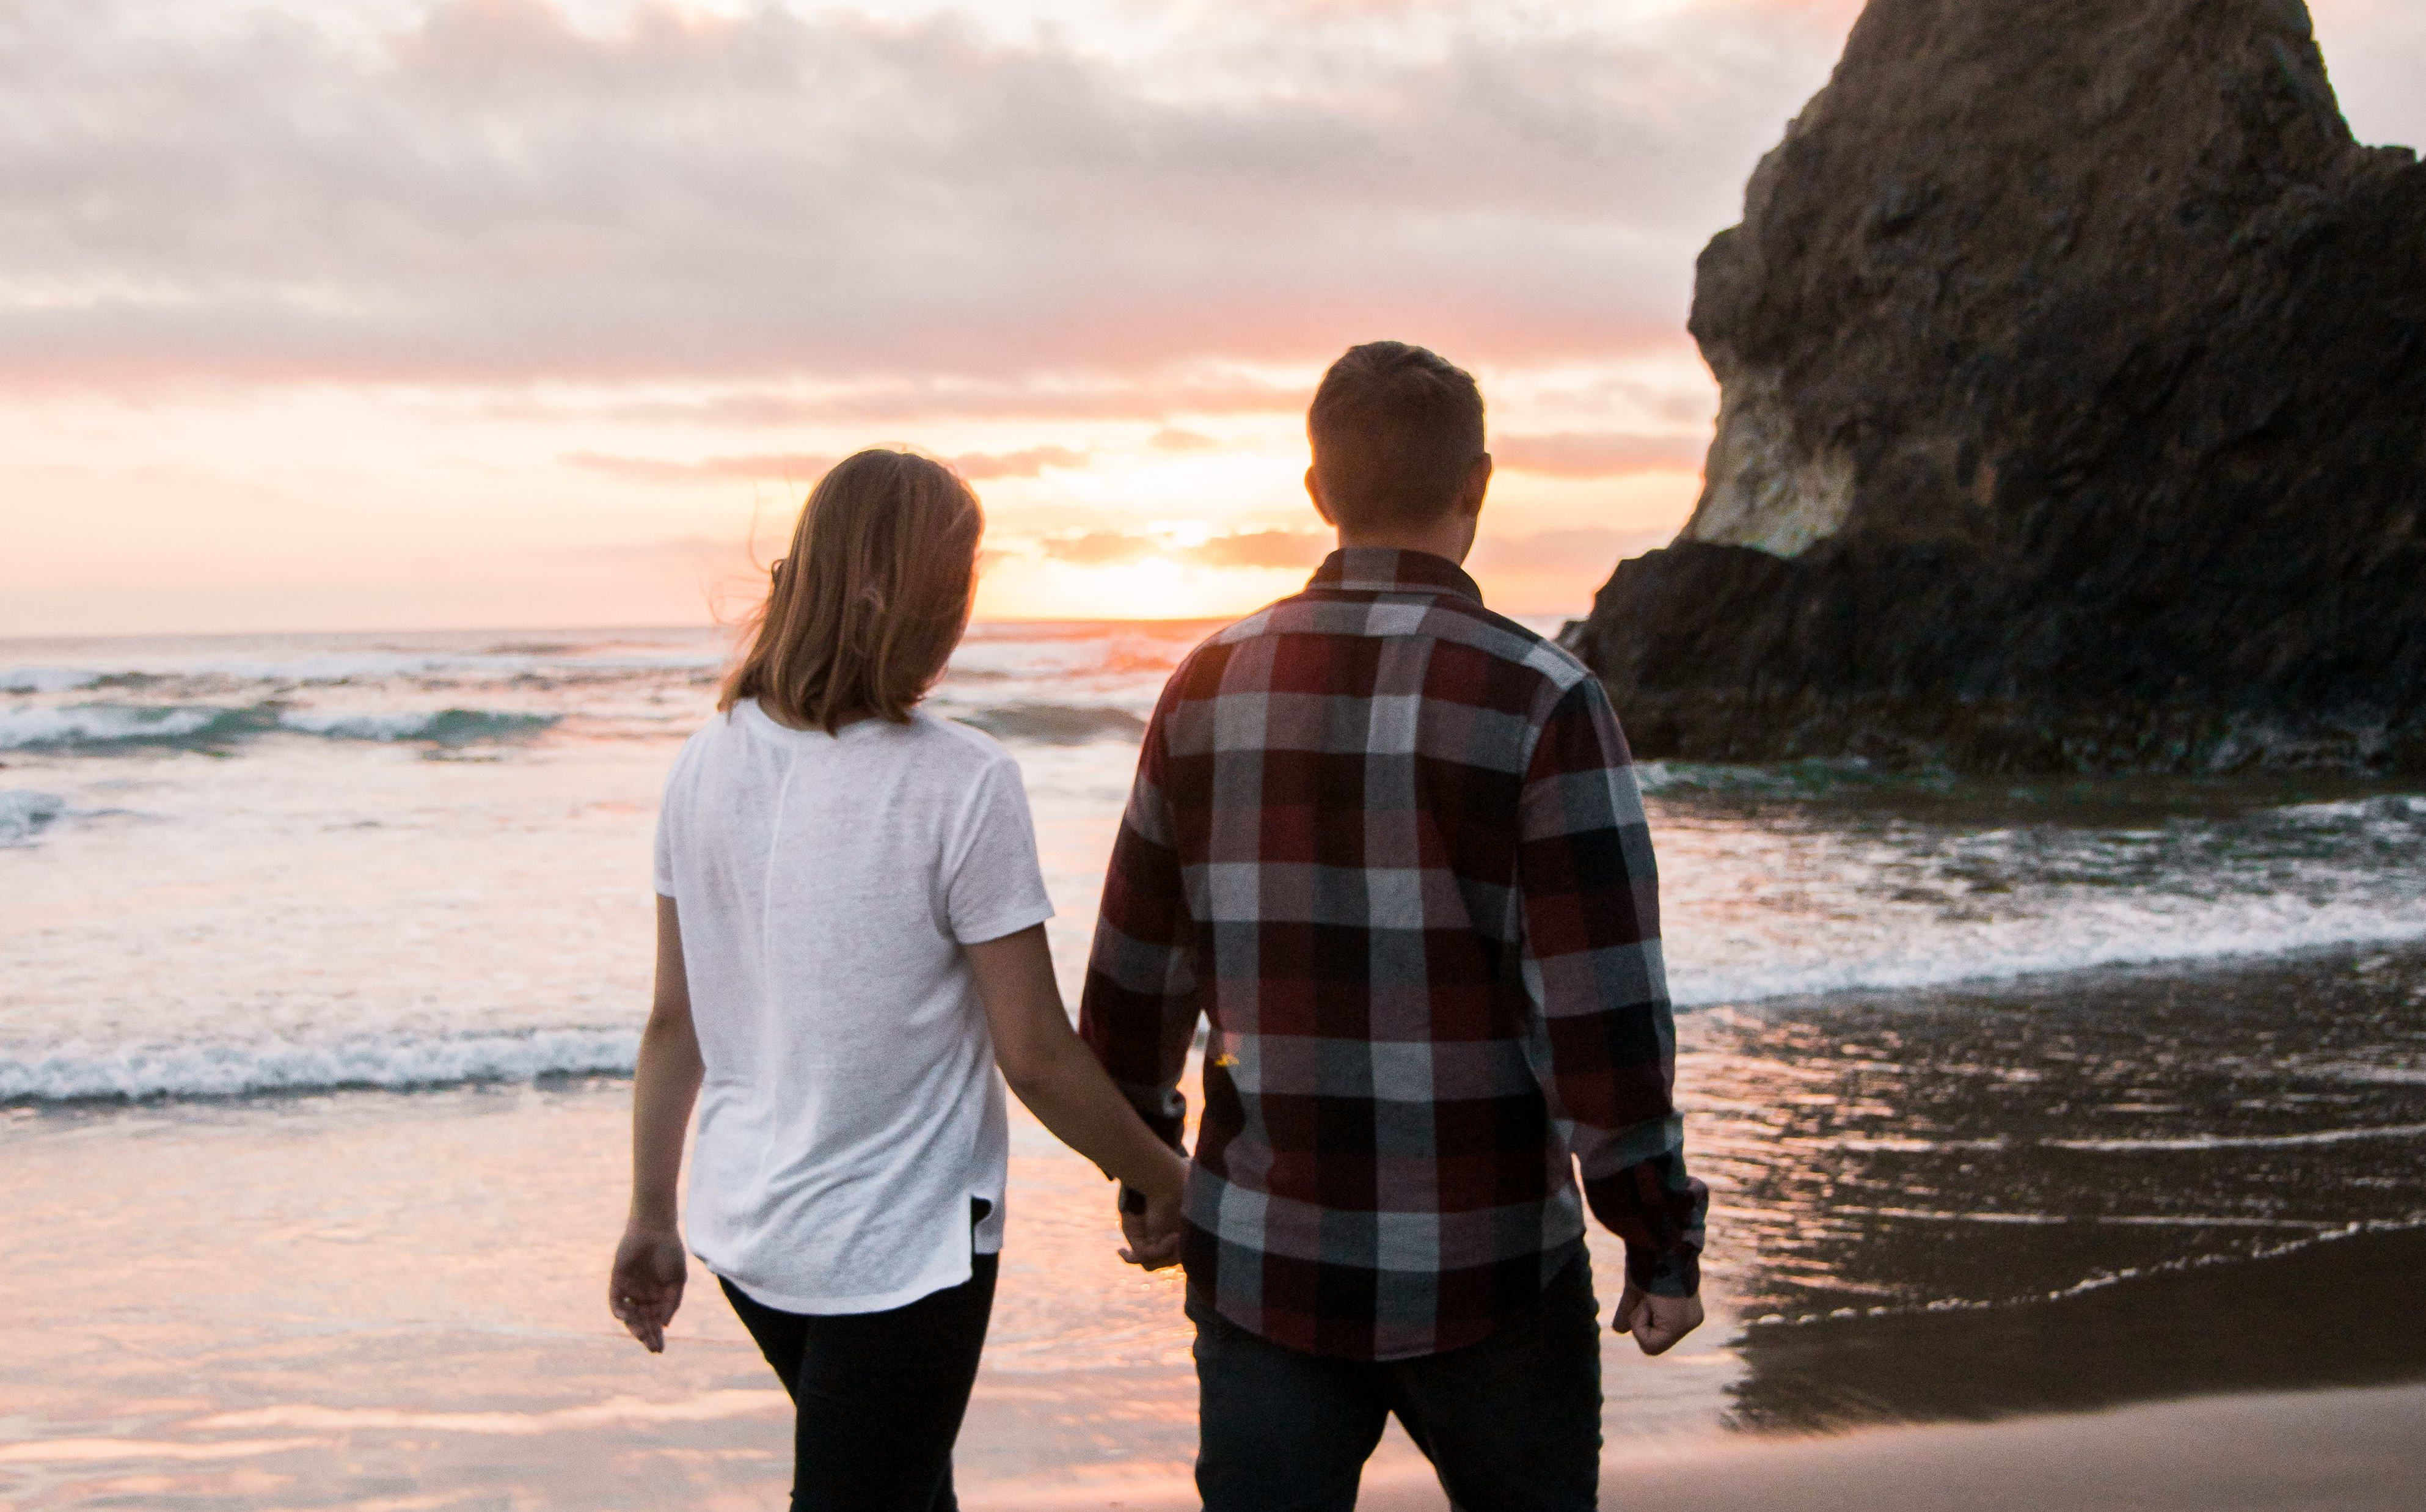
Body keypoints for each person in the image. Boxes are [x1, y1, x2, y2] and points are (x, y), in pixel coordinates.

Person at [1079, 341, 1708, 1511]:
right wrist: (1657, 1232)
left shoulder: (1205, 683)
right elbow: (1603, 1007)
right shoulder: (1545, 696)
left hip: (1268, 1260)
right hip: (1491, 1270)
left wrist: (1147, 1170)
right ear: (1478, 484)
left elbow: (1135, 978)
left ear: (1316, 492)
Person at [608, 448, 1189, 1512]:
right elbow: (1037, 1054)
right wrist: (1170, 1178)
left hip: (751, 1231)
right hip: (902, 1253)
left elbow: (670, 1025)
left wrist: (653, 1209)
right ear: (914, 597)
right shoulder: (961, 781)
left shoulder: (705, 761)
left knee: (908, 1492)